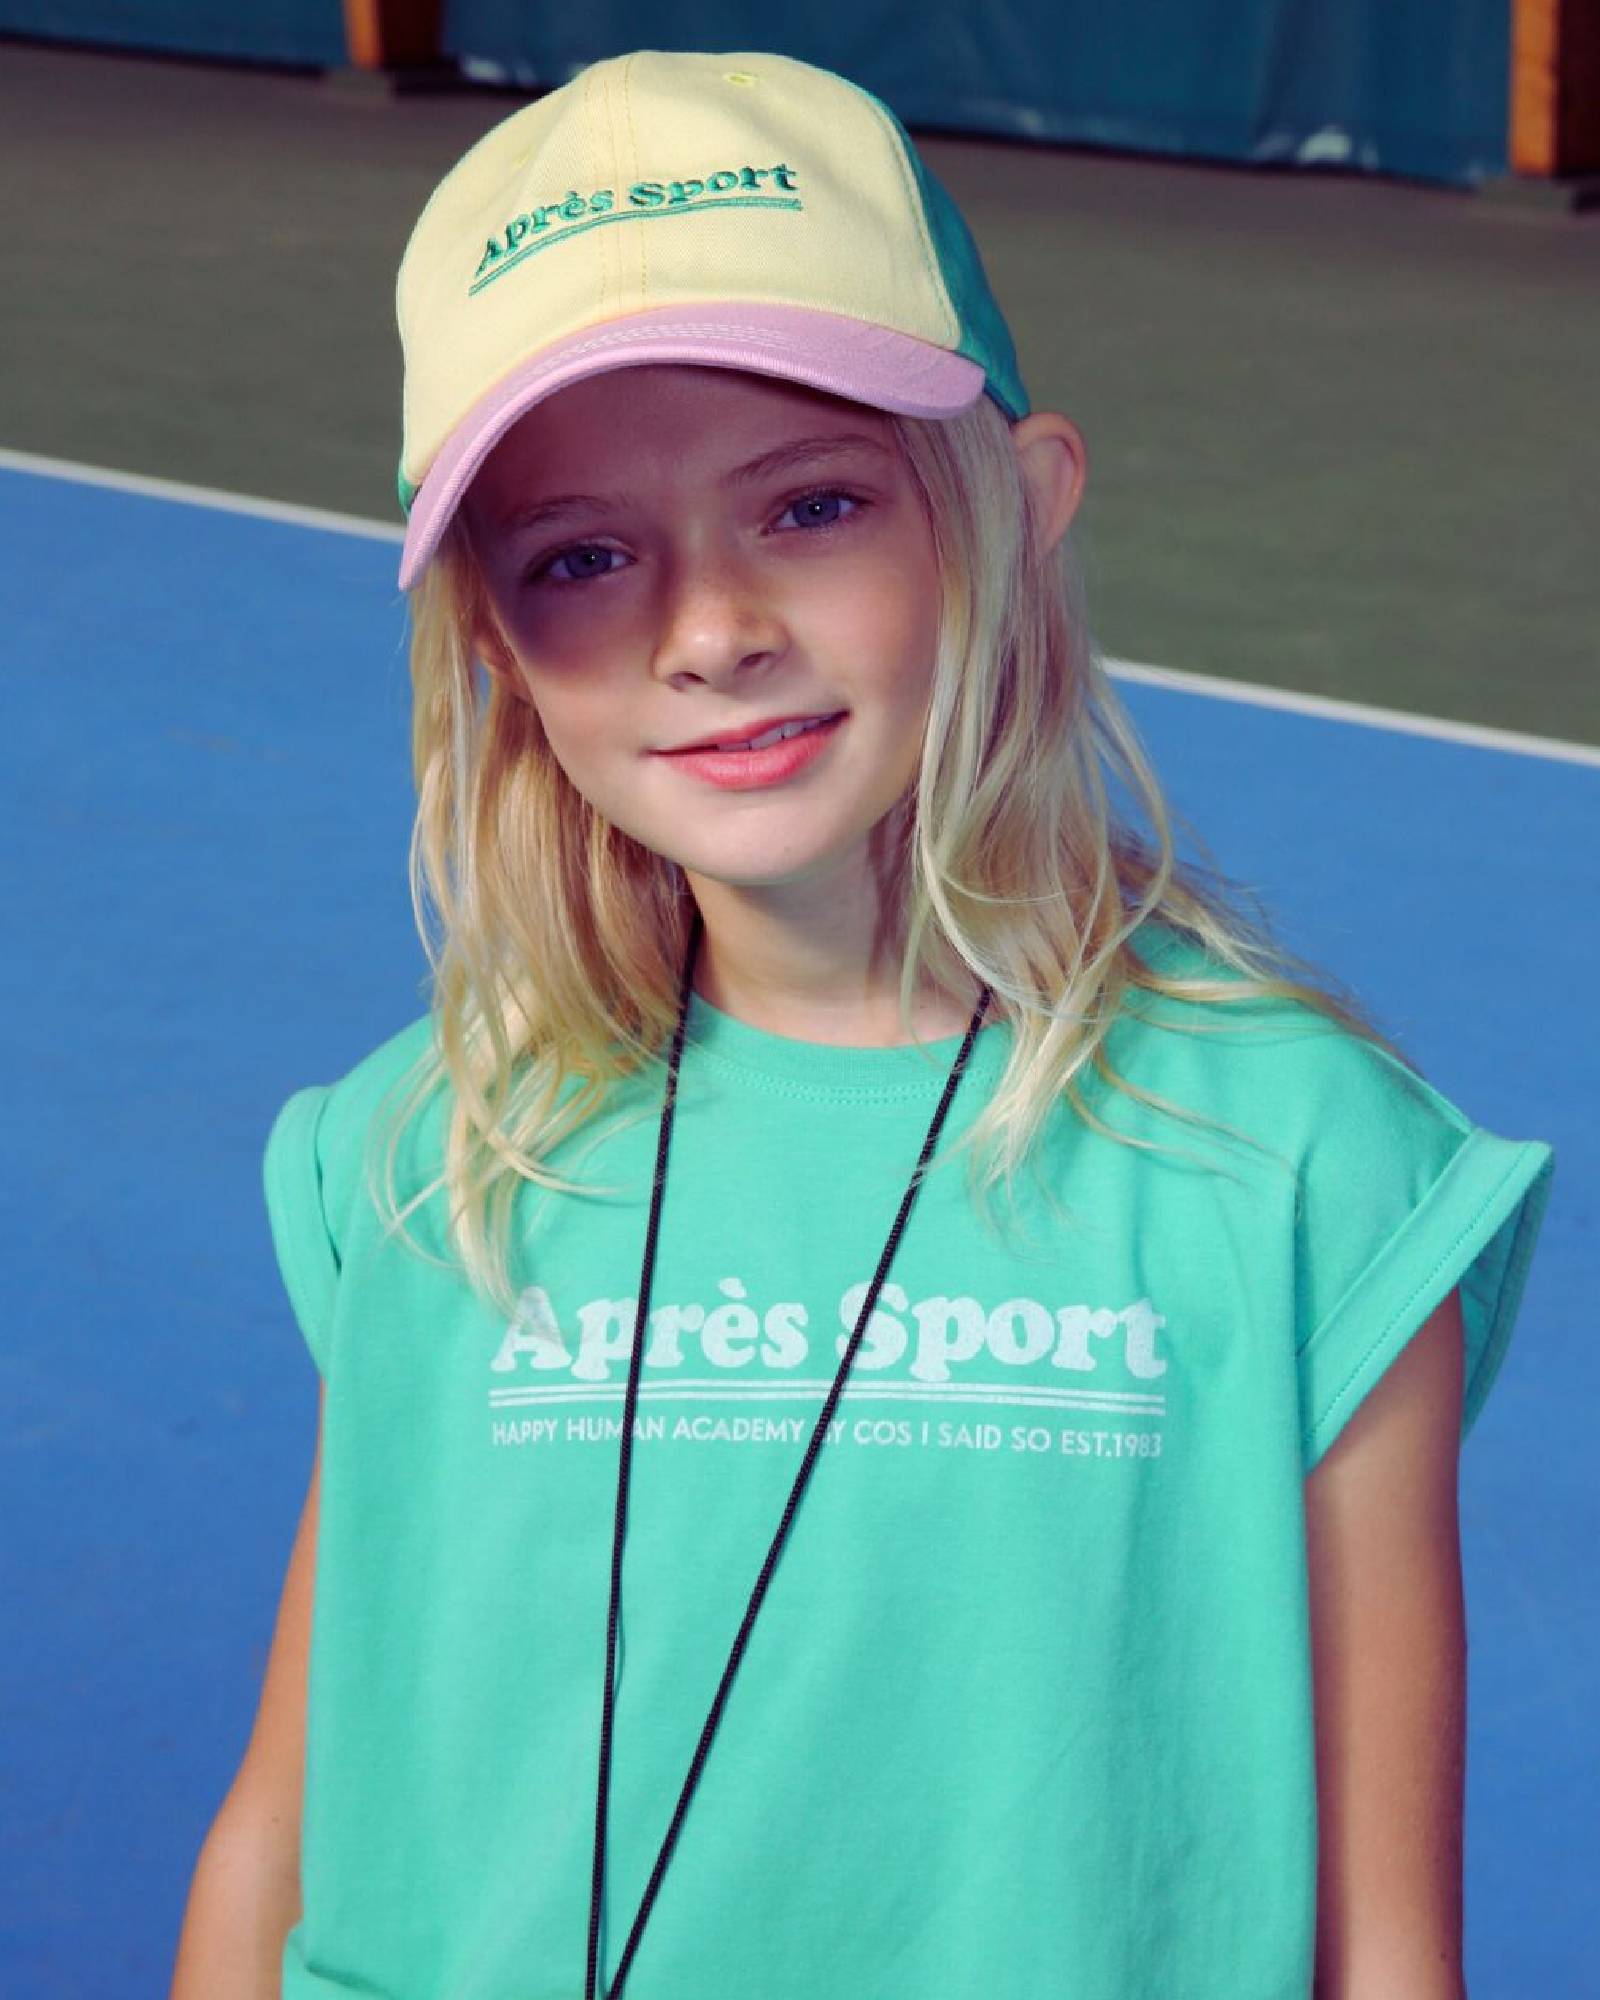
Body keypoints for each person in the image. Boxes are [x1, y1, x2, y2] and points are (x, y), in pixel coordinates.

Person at [169, 47, 1555, 2000]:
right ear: (494, 638)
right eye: (580, 556)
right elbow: (281, 1833)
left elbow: (1378, 1952)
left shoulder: (1307, 1170)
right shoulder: (420, 1153)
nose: (706, 625)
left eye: (808, 505)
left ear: (1016, 504)